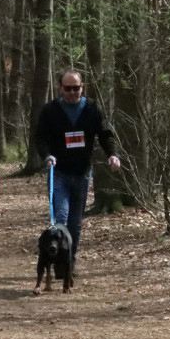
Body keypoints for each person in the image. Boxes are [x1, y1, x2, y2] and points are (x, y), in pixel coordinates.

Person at [34, 70, 120, 271]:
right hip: (59, 173)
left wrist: (112, 154)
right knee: (61, 217)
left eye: (76, 88)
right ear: (60, 88)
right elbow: (40, 137)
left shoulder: (91, 108)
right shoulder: (50, 110)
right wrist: (47, 155)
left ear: (82, 87)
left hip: (81, 173)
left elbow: (105, 134)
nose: (72, 92)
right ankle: (58, 262)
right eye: (68, 88)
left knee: (75, 223)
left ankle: (69, 262)